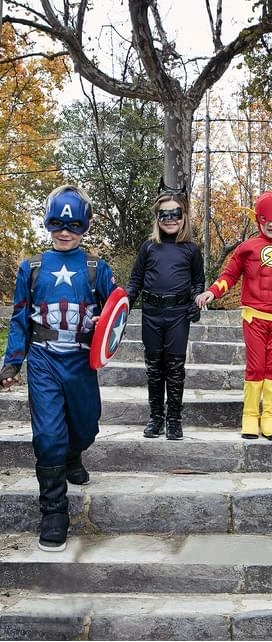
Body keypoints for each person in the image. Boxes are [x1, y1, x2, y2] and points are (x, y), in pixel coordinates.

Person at [0, 185, 117, 551]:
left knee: (86, 426)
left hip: (81, 360)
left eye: (74, 225)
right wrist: (12, 363)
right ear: (48, 222)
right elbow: (19, 318)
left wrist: (102, 324)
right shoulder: (31, 268)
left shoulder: (97, 268)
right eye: (57, 224)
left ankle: (73, 454)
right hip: (44, 359)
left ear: (85, 226)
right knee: (48, 436)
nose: (65, 232)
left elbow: (117, 312)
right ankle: (53, 511)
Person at [196, 191, 272, 441]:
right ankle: (250, 415)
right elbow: (230, 274)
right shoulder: (246, 248)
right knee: (256, 367)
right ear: (258, 219)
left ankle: (270, 417)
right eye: (265, 218)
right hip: (254, 317)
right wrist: (213, 292)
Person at [126, 179, 204, 441]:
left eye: (175, 214)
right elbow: (136, 280)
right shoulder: (148, 247)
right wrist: (123, 306)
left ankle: (174, 420)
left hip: (178, 315)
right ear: (157, 217)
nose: (170, 219)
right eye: (164, 215)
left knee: (175, 367)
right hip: (151, 313)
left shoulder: (191, 250)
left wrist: (195, 302)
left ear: (184, 217)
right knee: (154, 368)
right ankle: (156, 417)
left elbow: (198, 282)